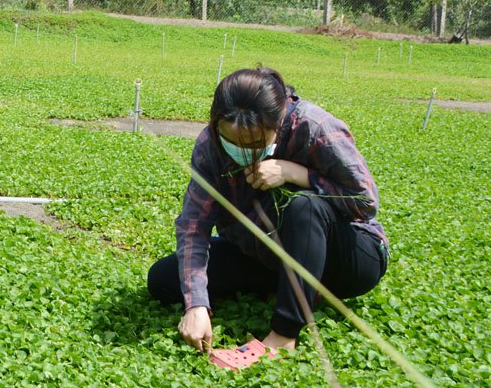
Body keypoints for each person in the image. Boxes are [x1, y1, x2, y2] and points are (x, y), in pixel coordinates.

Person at [148, 67, 388, 363]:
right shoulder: (209, 147)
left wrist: (297, 173)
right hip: (269, 255)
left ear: (280, 121)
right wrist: (196, 305)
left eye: (255, 144)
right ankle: (295, 288)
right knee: (164, 279)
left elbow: (364, 201)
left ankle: (284, 336)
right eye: (232, 142)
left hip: (349, 259)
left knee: (304, 206)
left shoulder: (315, 127)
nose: (243, 152)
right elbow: (194, 226)